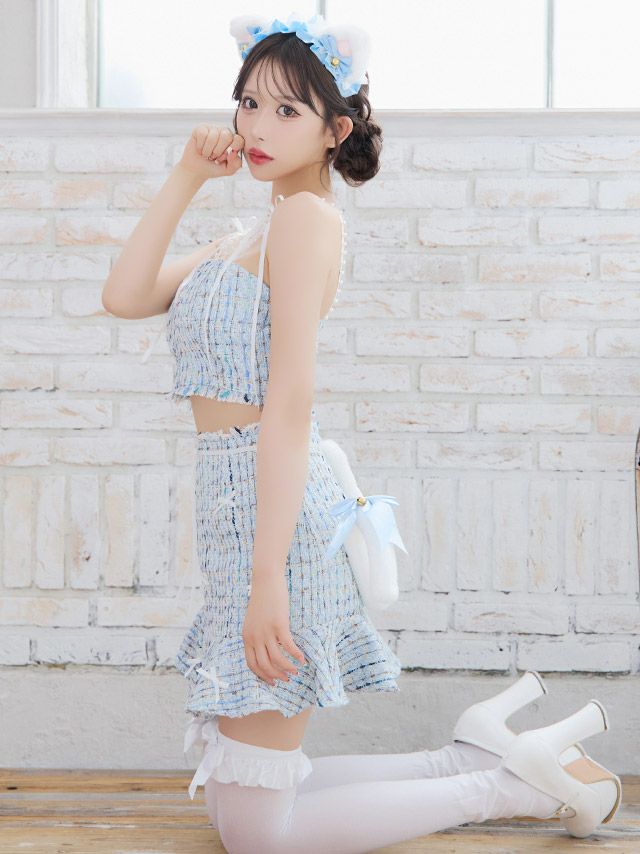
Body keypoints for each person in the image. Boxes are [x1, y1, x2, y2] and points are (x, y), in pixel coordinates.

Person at [101, 10, 622, 851]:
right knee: (237, 809)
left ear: (335, 130)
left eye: (287, 111)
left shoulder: (306, 221)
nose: (257, 127)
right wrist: (187, 175)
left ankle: (506, 786)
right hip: (237, 513)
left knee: (258, 837)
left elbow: (290, 404)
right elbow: (124, 295)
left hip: (276, 520)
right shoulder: (247, 234)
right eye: (249, 103)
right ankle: (472, 755)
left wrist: (268, 577)